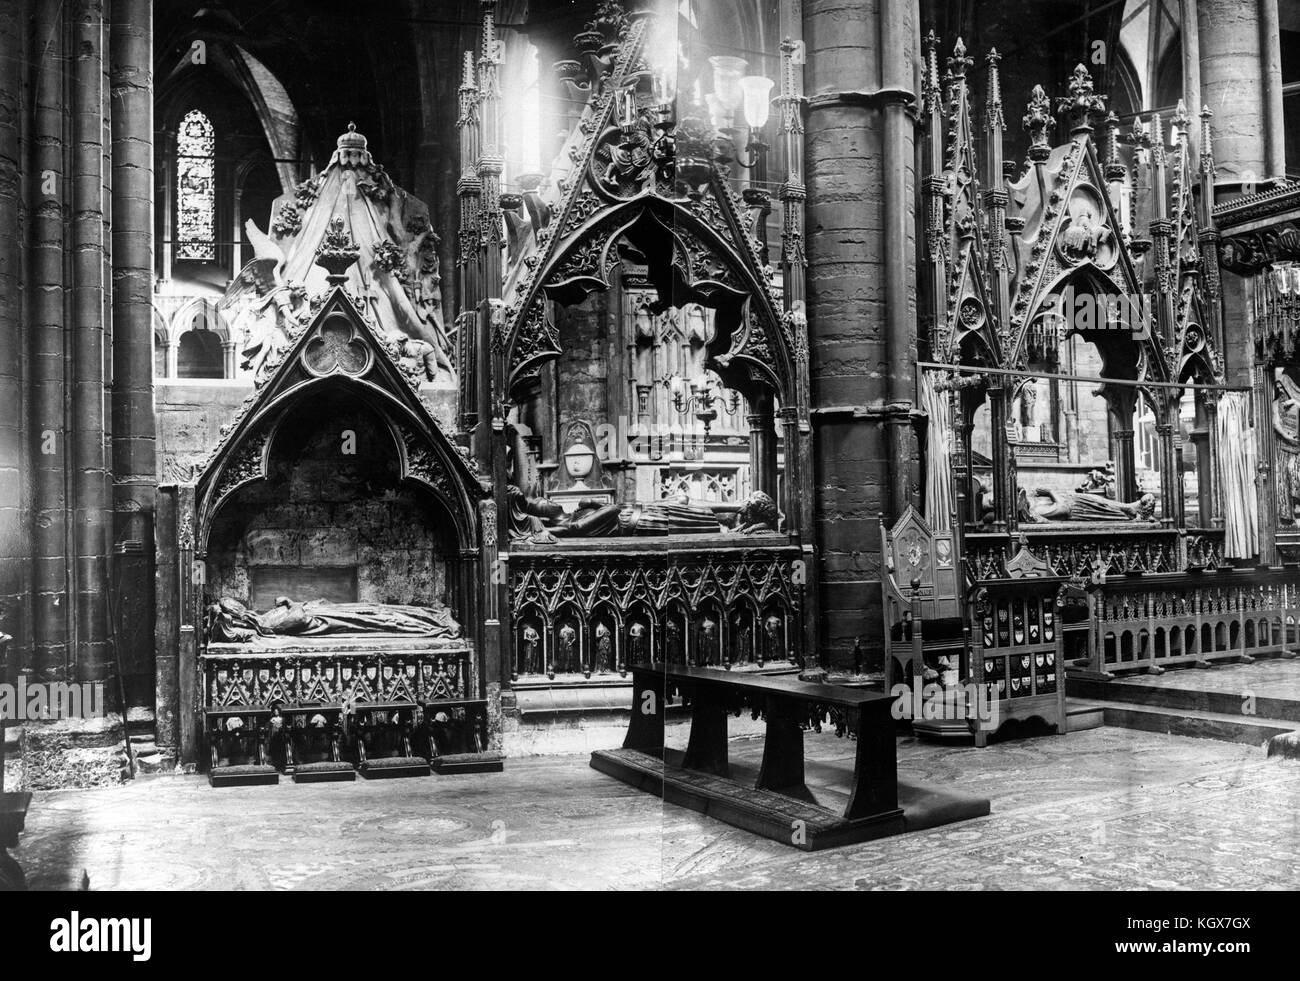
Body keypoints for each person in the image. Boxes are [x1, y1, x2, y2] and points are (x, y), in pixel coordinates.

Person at [1017, 486, 1156, 523]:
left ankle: (1131, 507)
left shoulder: (1033, 504)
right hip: (1078, 508)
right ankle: (1131, 509)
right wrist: (1050, 492)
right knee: (1103, 506)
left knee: (1102, 502)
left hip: (1076, 501)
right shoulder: (1034, 512)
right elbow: (1063, 510)